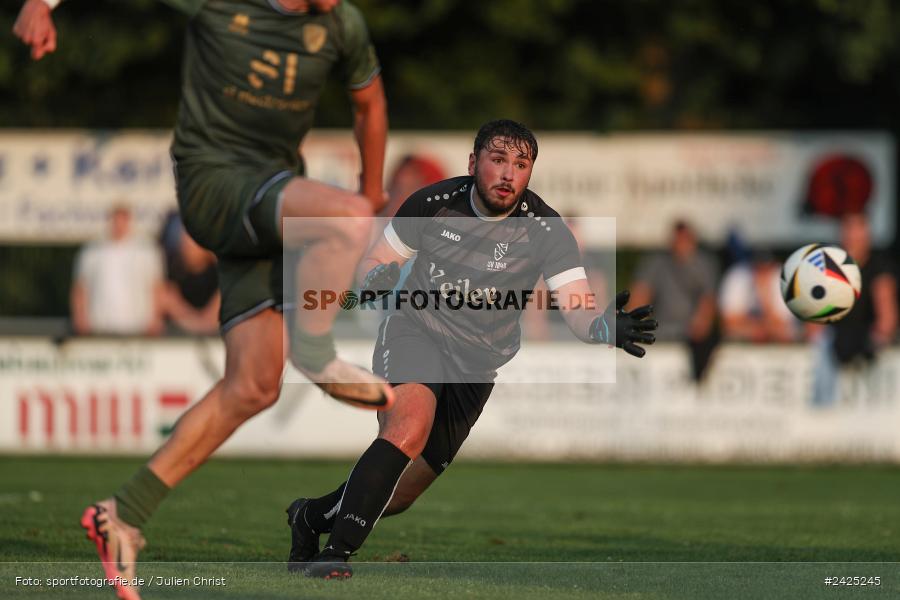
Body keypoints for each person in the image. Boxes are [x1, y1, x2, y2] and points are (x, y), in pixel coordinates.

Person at [15, 1, 393, 598]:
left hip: (268, 197)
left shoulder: (340, 22)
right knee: (343, 220)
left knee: (254, 385)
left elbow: (369, 103)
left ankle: (123, 514)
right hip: (213, 181)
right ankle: (317, 353)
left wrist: (372, 190)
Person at [285, 119, 658, 578]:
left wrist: (603, 327)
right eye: (498, 160)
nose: (508, 173)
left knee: (401, 494)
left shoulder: (546, 229)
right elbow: (376, 262)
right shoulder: (432, 204)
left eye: (521, 164)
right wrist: (377, 276)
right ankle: (335, 555)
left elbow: (578, 308)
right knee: (408, 429)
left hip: (477, 365)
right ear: (473, 163)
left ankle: (309, 516)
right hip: (416, 331)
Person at [813, 212, 898, 406]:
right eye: (848, 230)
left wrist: (874, 341)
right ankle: (822, 406)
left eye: (858, 230)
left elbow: (886, 318)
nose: (852, 237)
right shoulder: (828, 267)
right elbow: (815, 318)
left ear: (867, 234)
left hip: (866, 340)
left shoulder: (879, 267)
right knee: (823, 343)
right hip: (835, 339)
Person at [629, 220, 718, 381]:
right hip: (660, 328)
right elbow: (639, 296)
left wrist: (699, 326)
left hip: (690, 334)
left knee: (703, 348)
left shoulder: (704, 266)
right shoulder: (657, 264)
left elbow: (707, 304)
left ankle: (698, 381)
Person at [70, 204, 165, 336]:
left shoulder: (146, 250)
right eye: (115, 219)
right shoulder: (92, 251)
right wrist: (80, 316)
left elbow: (157, 287)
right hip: (100, 327)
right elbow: (80, 288)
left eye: (123, 219)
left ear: (129, 221)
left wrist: (156, 317)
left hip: (138, 327)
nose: (119, 224)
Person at [158, 211, 220, 335]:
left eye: (192, 241)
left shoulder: (220, 276)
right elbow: (164, 301)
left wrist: (189, 319)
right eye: (184, 240)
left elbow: (211, 321)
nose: (187, 246)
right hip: (178, 339)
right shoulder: (173, 272)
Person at [719, 249, 798, 343]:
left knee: (784, 335)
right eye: (758, 267)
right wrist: (755, 329)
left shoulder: (783, 278)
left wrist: (765, 295)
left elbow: (782, 325)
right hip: (745, 340)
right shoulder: (738, 275)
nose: (761, 273)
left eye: (766, 268)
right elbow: (728, 324)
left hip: (776, 343)